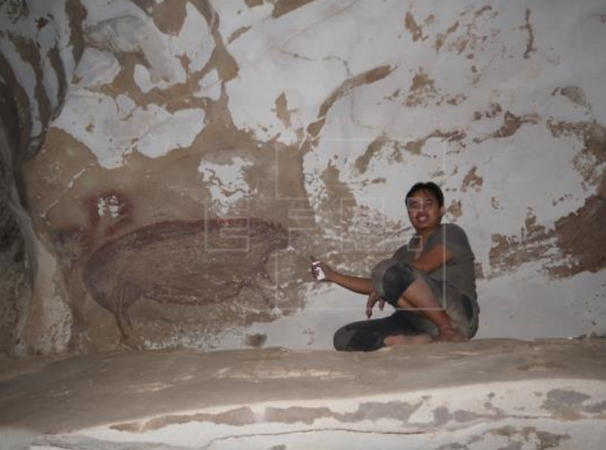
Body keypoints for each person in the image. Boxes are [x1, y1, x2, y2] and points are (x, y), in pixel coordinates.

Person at [311, 182, 479, 351]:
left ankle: (449, 328)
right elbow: (377, 282)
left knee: (385, 270)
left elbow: (422, 266)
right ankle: (423, 339)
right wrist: (332, 275)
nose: (421, 211)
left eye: (428, 204)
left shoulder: (451, 232)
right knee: (345, 337)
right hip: (416, 321)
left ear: (441, 210)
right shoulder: (403, 253)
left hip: (457, 313)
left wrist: (383, 283)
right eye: (414, 206)